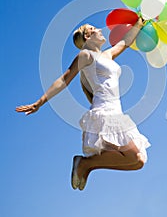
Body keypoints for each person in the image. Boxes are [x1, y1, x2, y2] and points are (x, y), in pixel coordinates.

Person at [15, 17, 151, 191]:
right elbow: (64, 79)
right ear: (87, 36)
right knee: (135, 156)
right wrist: (40, 102)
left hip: (117, 113)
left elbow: (125, 42)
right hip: (105, 113)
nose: (100, 30)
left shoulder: (107, 55)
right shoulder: (86, 55)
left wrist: (140, 23)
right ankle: (84, 164)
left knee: (139, 162)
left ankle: (88, 165)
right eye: (94, 28)